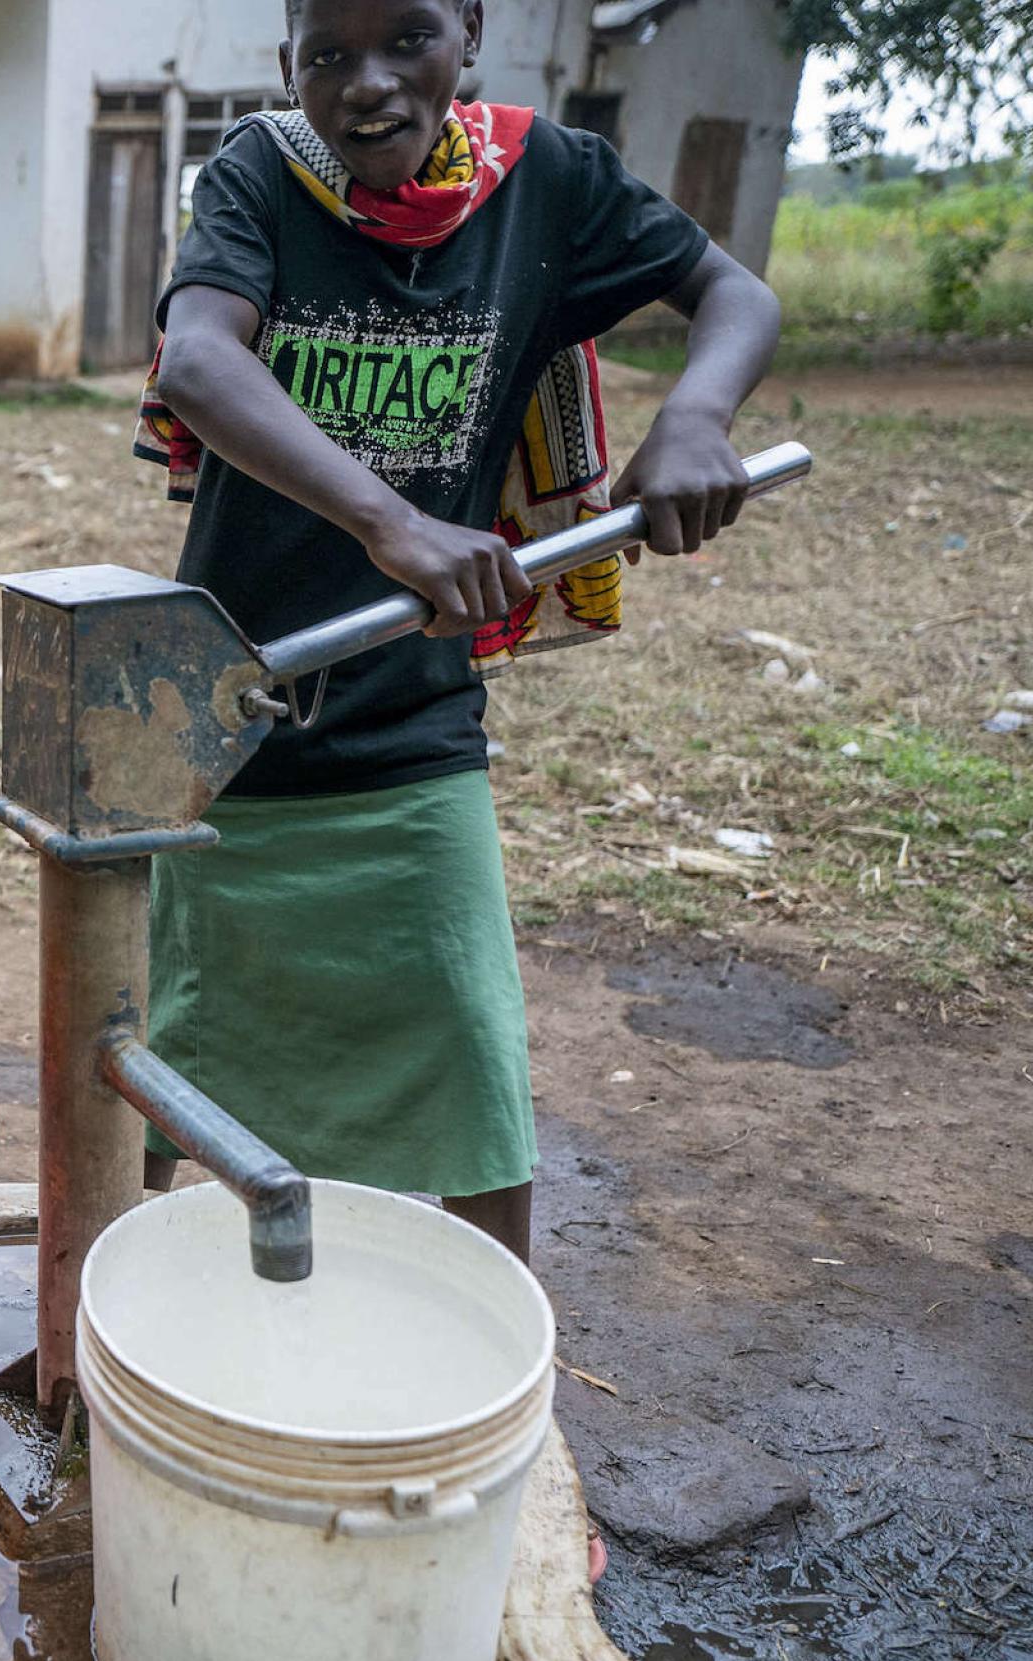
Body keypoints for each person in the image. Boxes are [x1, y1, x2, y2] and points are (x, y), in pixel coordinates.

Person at [135, 0, 782, 1264]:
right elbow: (199, 365)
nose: (366, 85)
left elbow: (731, 292)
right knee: (180, 1069)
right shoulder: (258, 177)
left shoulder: (544, 180)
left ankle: (485, 1367)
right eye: (327, 56)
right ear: (287, 67)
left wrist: (697, 417)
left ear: (469, 32)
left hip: (415, 719)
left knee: (474, 1076)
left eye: (406, 42)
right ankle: (149, 1319)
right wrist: (393, 523)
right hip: (235, 715)